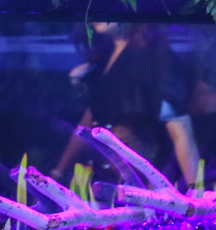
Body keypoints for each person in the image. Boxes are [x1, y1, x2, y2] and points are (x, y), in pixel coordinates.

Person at [49, 22, 201, 186]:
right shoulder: (103, 58)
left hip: (143, 181)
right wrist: (58, 172)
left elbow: (181, 133)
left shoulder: (156, 59)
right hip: (105, 178)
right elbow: (89, 121)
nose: (99, 16)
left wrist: (196, 191)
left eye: (109, 8)